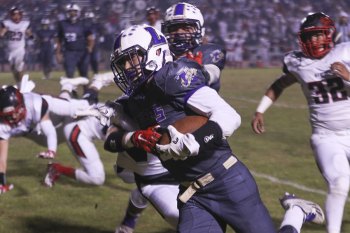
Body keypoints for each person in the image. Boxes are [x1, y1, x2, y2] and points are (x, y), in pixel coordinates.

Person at [104, 24, 275, 233]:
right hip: (191, 193)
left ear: (155, 52)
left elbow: (230, 116)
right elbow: (110, 140)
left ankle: (296, 214)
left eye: (133, 58)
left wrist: (193, 142)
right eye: (123, 62)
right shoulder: (137, 98)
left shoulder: (171, 78)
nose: (128, 67)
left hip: (226, 181)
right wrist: (131, 136)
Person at [251, 12, 349, 233]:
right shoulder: (298, 62)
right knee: (340, 183)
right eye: (310, 37)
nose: (313, 41)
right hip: (327, 137)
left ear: (329, 34)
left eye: (318, 35)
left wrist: (348, 76)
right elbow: (279, 84)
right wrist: (260, 110)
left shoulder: (345, 52)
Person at [0, 77, 91, 194]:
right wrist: (1, 183)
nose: (13, 118)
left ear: (21, 105)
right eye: (8, 115)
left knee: (81, 108)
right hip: (33, 127)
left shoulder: (34, 104)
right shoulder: (2, 126)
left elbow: (49, 130)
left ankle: (96, 86)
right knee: (58, 134)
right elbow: (1, 158)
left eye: (15, 113)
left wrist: (51, 151)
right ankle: (67, 86)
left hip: (49, 105)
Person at [161, 2, 226, 92]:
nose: (179, 33)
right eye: (173, 28)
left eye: (186, 28)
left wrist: (201, 71)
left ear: (199, 31)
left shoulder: (208, 52)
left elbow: (213, 72)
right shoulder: (162, 56)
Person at [56, 3, 94, 89]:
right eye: (70, 12)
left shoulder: (83, 23)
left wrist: (90, 47)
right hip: (69, 52)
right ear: (67, 13)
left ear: (78, 12)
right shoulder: (62, 24)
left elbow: (90, 37)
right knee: (69, 74)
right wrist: (58, 53)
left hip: (82, 52)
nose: (72, 13)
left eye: (74, 11)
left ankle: (87, 93)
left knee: (84, 74)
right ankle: (71, 92)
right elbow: (58, 39)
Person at [0, 6, 33, 85]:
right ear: (11, 16)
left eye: (18, 14)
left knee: (19, 67)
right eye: (14, 15)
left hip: (20, 49)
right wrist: (2, 33)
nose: (16, 17)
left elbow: (29, 32)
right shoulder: (7, 23)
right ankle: (18, 83)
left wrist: (31, 36)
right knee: (13, 69)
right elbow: (2, 32)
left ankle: (22, 84)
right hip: (10, 50)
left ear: (21, 15)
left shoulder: (25, 23)